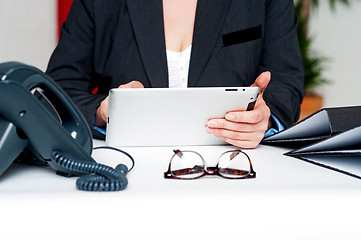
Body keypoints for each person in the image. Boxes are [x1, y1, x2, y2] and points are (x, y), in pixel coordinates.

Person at [46, 0, 304, 148]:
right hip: (127, 168)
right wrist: (102, 111)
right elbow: (57, 91)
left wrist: (265, 120)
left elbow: (286, 84)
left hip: (236, 168)